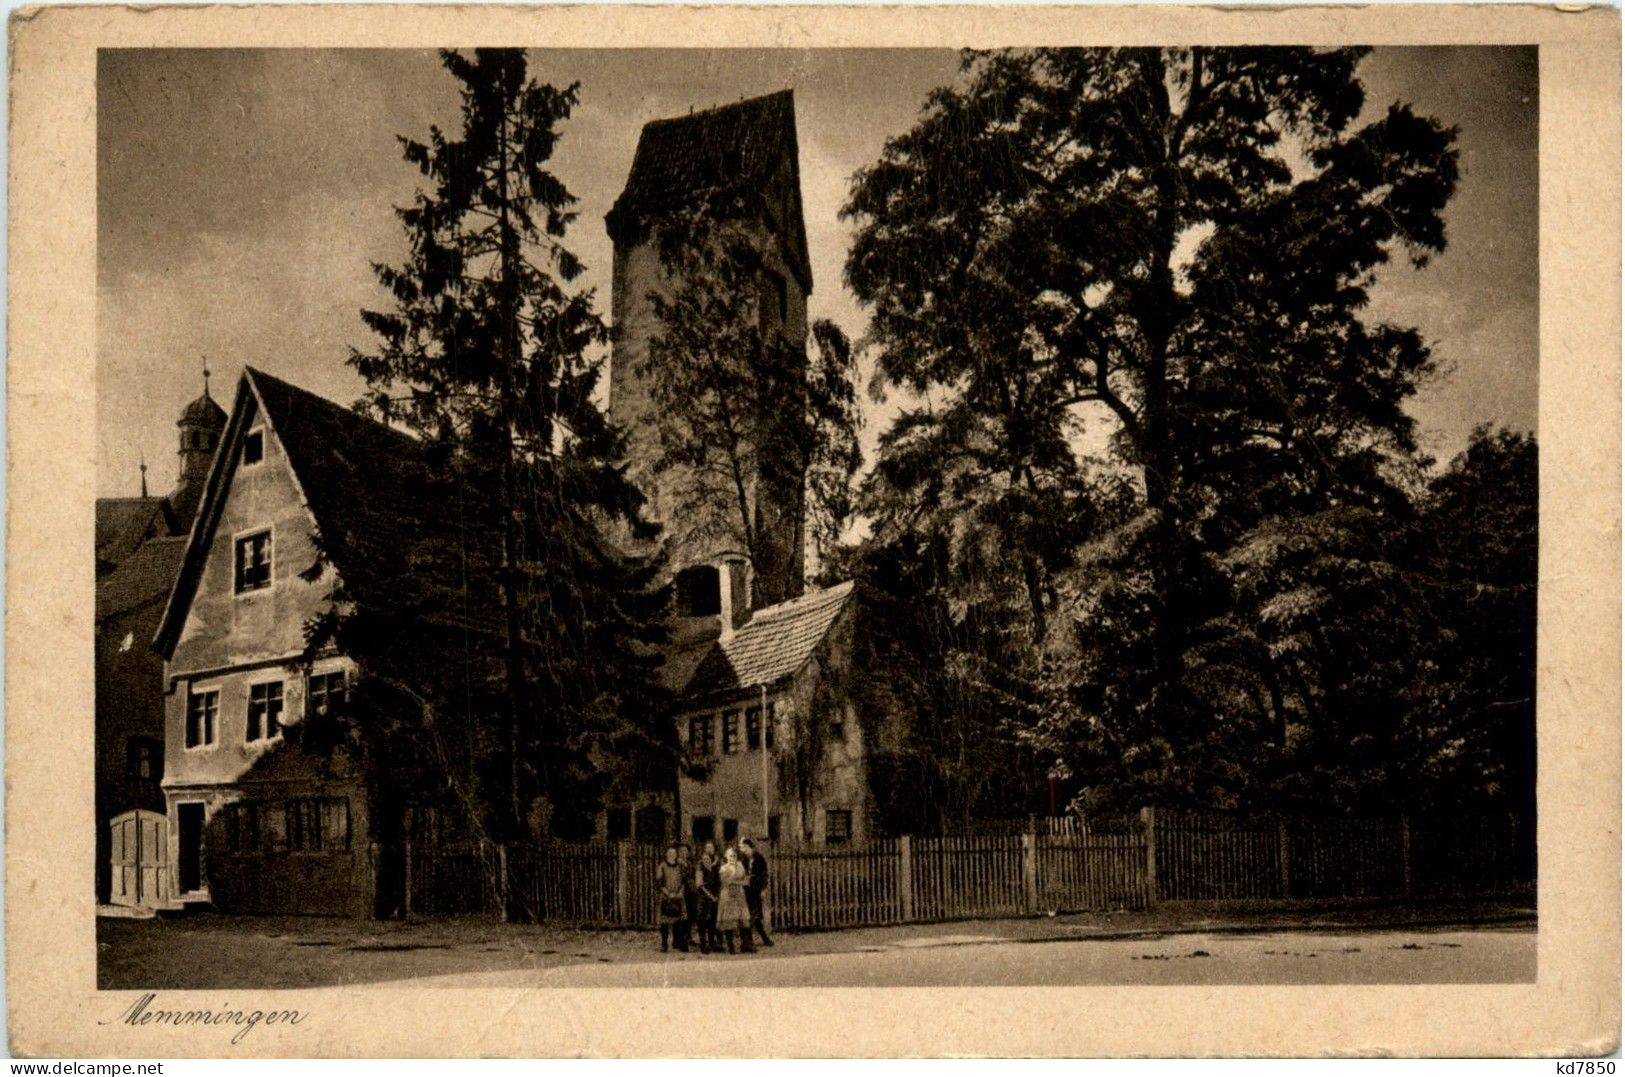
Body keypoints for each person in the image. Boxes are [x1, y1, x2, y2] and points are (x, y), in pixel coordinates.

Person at [715, 845, 754, 954]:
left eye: (734, 856)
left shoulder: (741, 866)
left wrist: (736, 882)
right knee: (729, 921)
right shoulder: (723, 868)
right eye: (730, 856)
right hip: (727, 895)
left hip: (739, 894)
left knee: (743, 919)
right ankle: (730, 945)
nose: (733, 858)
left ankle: (745, 944)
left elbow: (746, 882)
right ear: (726, 856)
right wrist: (736, 880)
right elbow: (725, 882)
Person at [739, 837, 774, 947]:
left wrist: (763, 889)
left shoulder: (759, 859)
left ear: (751, 848)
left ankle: (763, 938)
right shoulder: (743, 859)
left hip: (756, 891)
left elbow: (764, 875)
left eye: (746, 848)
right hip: (746, 891)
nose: (744, 850)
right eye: (743, 848)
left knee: (756, 916)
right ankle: (749, 941)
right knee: (747, 916)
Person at [655, 844, 686, 953]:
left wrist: (680, 892)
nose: (672, 855)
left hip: (678, 896)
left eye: (674, 853)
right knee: (665, 922)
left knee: (679, 921)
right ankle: (664, 944)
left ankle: (677, 943)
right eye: (670, 853)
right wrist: (668, 894)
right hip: (666, 896)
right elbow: (659, 883)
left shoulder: (680, 866)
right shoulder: (662, 866)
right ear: (666, 854)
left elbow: (684, 881)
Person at [693, 840, 721, 955]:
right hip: (704, 895)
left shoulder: (717, 864)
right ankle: (703, 944)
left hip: (715, 895)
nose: (709, 849)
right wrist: (710, 896)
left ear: (714, 849)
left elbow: (721, 880)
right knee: (702, 919)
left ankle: (712, 943)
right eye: (707, 847)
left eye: (711, 847)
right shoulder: (700, 864)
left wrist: (717, 895)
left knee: (713, 919)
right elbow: (699, 883)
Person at [674, 842, 695, 952]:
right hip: (680, 891)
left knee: (690, 915)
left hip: (690, 892)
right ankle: (678, 940)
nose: (684, 853)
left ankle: (687, 937)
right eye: (681, 851)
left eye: (685, 851)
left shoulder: (690, 863)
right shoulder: (676, 863)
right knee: (680, 916)